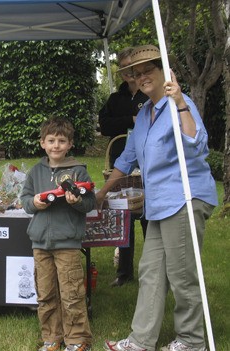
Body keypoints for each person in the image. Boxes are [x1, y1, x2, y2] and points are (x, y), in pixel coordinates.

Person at [96, 45, 218, 351]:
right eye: (136, 74)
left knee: (181, 272)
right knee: (150, 270)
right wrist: (100, 194)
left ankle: (192, 341)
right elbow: (126, 159)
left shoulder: (180, 103)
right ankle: (141, 341)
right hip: (160, 203)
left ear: (164, 72)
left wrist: (178, 101)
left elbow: (196, 143)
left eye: (147, 71)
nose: (141, 78)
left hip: (186, 197)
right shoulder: (145, 115)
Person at [21, 116, 95, 351]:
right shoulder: (35, 172)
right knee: (45, 293)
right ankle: (51, 337)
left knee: (72, 292)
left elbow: (90, 202)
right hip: (40, 242)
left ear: (70, 144)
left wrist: (76, 201)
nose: (56, 146)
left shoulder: (78, 172)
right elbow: (25, 200)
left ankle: (76, 339)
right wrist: (34, 202)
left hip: (67, 242)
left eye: (61, 141)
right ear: (42, 143)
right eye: (51, 140)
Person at [98, 47, 149, 287]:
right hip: (120, 162)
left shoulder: (150, 97)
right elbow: (105, 126)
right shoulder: (115, 99)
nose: (129, 72)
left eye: (133, 67)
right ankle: (124, 272)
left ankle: (153, 272)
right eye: (125, 68)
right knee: (123, 218)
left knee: (149, 218)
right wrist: (130, 121)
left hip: (147, 165)